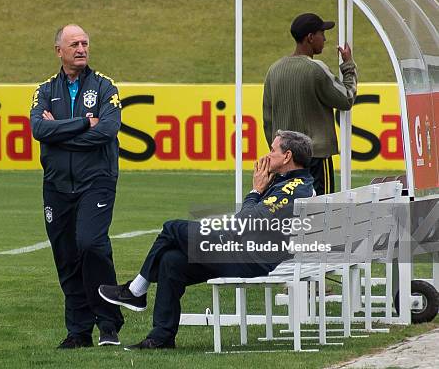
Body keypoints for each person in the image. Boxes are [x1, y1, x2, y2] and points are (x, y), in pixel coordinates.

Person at [99, 130, 315, 349]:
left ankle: (136, 291)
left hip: (250, 258)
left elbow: (243, 223)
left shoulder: (291, 189)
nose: (267, 155)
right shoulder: (294, 184)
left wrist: (255, 191)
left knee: (172, 228)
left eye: (272, 149)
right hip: (247, 252)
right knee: (172, 261)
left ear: (287, 156)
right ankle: (161, 337)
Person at [30, 24, 124, 349]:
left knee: (92, 245)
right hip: (56, 185)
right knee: (67, 256)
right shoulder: (44, 89)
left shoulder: (105, 87)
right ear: (59, 50)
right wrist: (84, 122)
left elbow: (108, 130)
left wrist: (61, 133)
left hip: (95, 181)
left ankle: (109, 324)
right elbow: (39, 129)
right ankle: (78, 331)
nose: (81, 48)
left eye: (85, 43)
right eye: (74, 44)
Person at [263, 12, 358, 195]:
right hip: (315, 157)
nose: (325, 38)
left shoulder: (273, 70)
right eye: (322, 33)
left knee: (288, 211)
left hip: (285, 158)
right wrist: (348, 66)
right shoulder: (315, 69)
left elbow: (268, 119)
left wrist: (278, 152)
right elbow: (346, 98)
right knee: (322, 211)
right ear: (310, 37)